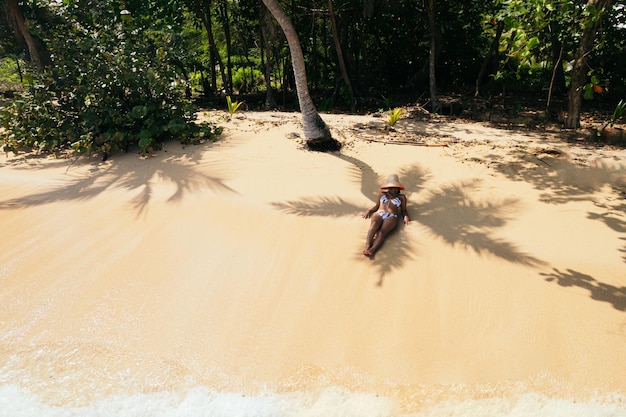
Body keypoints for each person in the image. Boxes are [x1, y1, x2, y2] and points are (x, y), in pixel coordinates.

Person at [362, 174, 410, 257]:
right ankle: (367, 246)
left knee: (382, 232)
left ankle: (373, 249)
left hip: (391, 216)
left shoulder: (402, 197)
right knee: (373, 226)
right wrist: (369, 210)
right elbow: (377, 206)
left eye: (395, 188)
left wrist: (406, 217)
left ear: (398, 188)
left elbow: (403, 210)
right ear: (388, 188)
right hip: (379, 213)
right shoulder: (381, 194)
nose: (393, 190)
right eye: (391, 188)